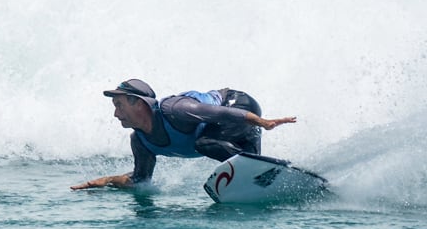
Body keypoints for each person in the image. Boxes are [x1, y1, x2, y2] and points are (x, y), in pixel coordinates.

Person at [71, 78, 297, 190]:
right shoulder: (140, 141)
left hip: (238, 106)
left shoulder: (175, 111)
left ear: (139, 104)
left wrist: (263, 122)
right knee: (251, 172)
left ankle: (260, 170)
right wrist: (107, 181)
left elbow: (222, 112)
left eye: (119, 105)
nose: (115, 113)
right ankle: (268, 173)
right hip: (226, 129)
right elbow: (140, 180)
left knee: (205, 143)